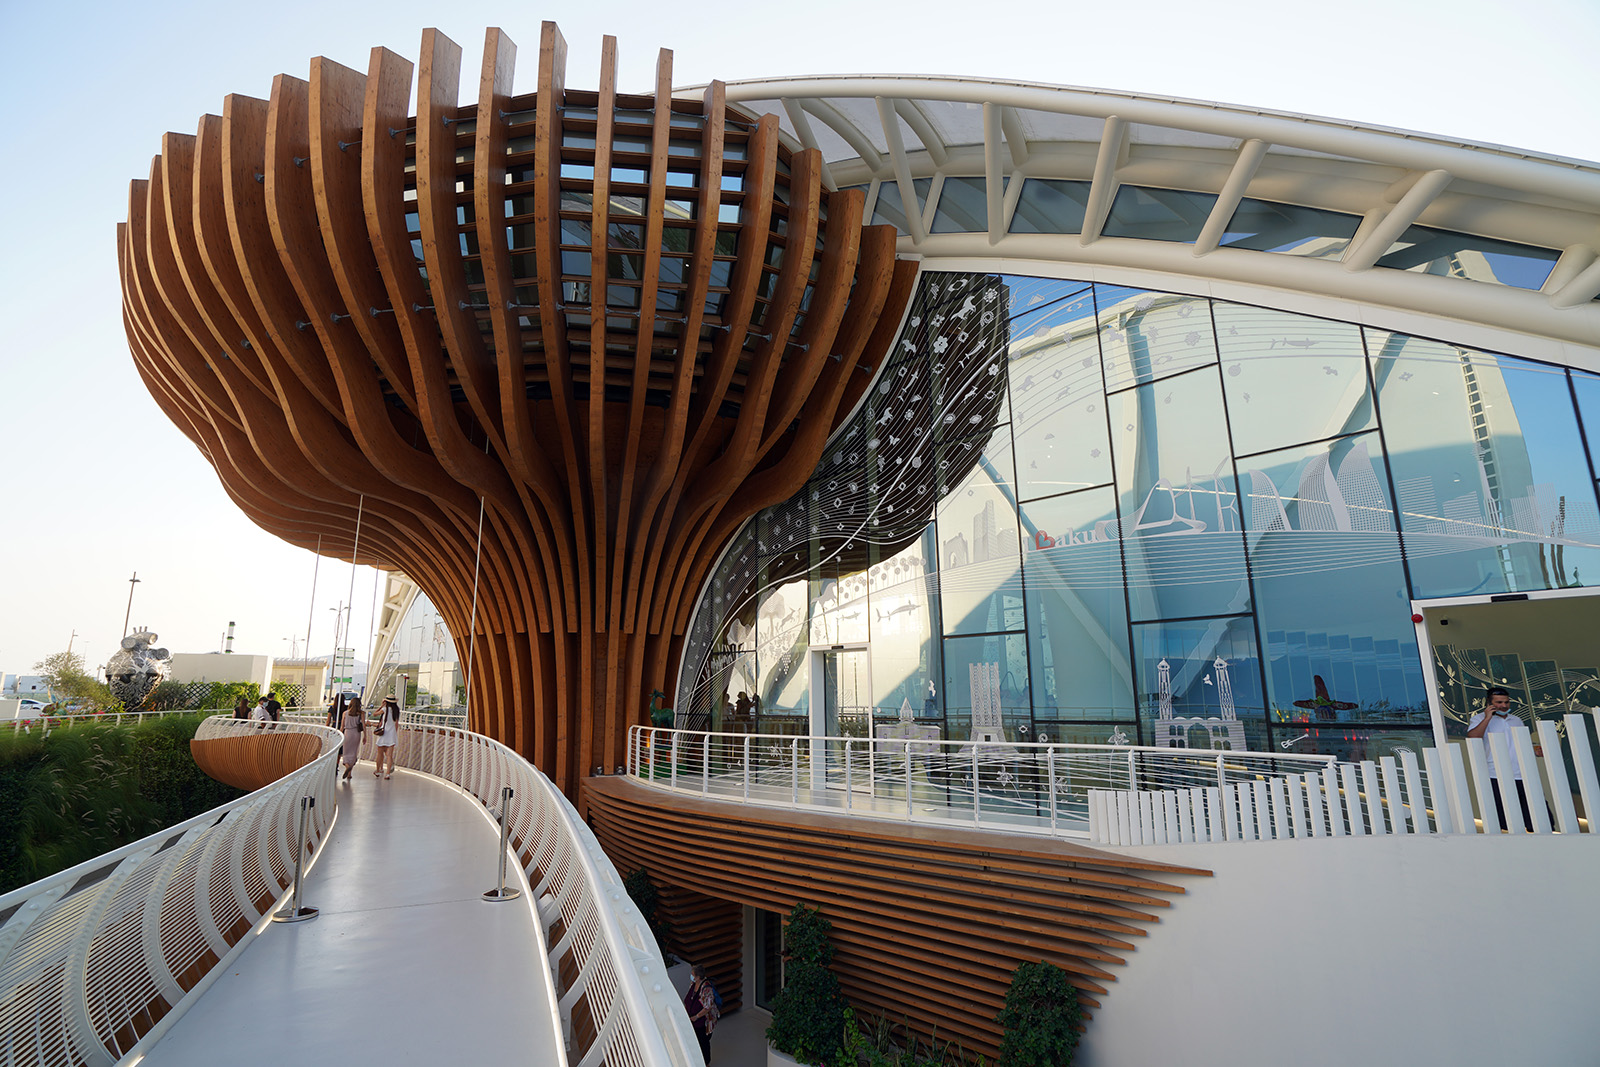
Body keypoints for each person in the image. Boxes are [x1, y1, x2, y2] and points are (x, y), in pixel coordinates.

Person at [1466, 686, 1546, 832]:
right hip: (1496, 773)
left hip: (1521, 772)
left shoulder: (1516, 720)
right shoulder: (1478, 719)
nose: (1503, 706)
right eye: (1499, 702)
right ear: (1489, 703)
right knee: (1502, 815)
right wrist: (1487, 718)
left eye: (1506, 702)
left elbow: (1520, 743)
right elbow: (1473, 737)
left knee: (1535, 813)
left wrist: (1535, 750)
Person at [682, 964, 719, 1064]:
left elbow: (707, 1007)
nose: (691, 976)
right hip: (693, 1020)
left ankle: (706, 1063)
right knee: (696, 1041)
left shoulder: (706, 989)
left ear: (698, 977)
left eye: (693, 975)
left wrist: (696, 1016)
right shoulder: (693, 983)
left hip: (702, 1022)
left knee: (703, 1043)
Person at [372, 696, 400, 779]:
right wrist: (395, 733)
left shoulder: (385, 709)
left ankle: (378, 770)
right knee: (389, 755)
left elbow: (374, 714)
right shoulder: (396, 710)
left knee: (380, 754)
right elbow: (396, 723)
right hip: (392, 734)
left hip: (384, 734)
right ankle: (387, 773)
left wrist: (381, 706)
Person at [339, 696, 365, 781]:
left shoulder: (345, 713)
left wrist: (339, 734)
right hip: (356, 734)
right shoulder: (361, 713)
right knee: (353, 752)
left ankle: (347, 767)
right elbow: (363, 725)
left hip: (347, 733)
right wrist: (365, 736)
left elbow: (342, 726)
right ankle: (349, 773)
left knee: (346, 752)